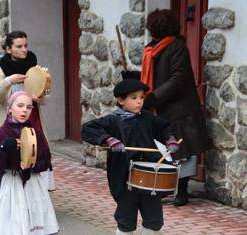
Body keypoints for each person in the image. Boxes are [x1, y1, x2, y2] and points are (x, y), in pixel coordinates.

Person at [82, 79, 180, 234]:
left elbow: (165, 128)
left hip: (149, 177)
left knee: (154, 219)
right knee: (126, 219)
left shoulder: (147, 118)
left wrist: (170, 140)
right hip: (124, 176)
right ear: (121, 100)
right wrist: (109, 140)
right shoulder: (113, 120)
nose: (139, 102)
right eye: (134, 98)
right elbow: (88, 129)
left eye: (141, 97)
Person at [140, 9, 212, 207]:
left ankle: (182, 190)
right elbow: (149, 75)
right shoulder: (150, 49)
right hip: (159, 108)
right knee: (163, 150)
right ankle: (165, 187)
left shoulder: (177, 47)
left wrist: (154, 97)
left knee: (181, 151)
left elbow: (178, 79)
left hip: (179, 108)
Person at [0, 91, 58, 235]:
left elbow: (46, 161)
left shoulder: (36, 133)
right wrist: (3, 148)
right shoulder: (1, 134)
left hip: (33, 185)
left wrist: (32, 166)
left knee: (34, 220)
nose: (24, 110)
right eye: (20, 106)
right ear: (9, 109)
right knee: (13, 225)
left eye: (28, 107)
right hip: (11, 183)